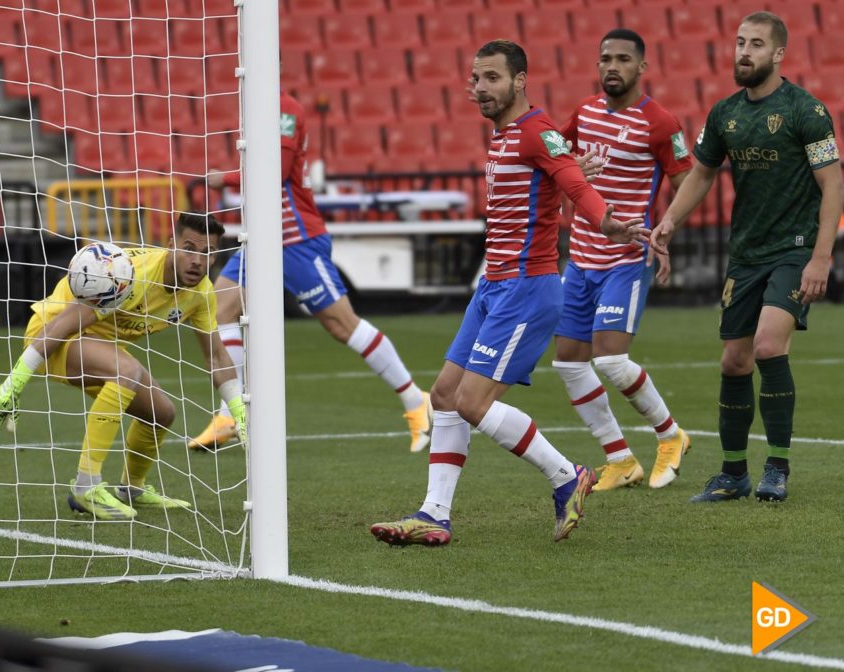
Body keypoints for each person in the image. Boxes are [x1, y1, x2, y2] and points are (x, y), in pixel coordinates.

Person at [370, 40, 648, 546]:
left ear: (520, 80)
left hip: (526, 288)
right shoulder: (504, 136)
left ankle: (567, 476)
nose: (481, 88)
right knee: (444, 396)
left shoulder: (535, 132)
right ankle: (435, 513)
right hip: (493, 287)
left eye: (493, 78)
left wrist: (608, 223)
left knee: (472, 402)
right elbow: (558, 180)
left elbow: (570, 180)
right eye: (476, 78)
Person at [650, 12, 843, 503]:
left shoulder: (807, 110)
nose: (744, 52)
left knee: (767, 347)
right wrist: (670, 220)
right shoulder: (724, 114)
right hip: (746, 255)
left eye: (755, 44)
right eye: (740, 42)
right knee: (734, 361)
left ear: (778, 54)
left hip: (793, 253)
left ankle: (776, 467)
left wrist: (822, 257)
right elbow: (701, 173)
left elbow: (833, 182)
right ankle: (733, 473)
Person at [190, 89, 432, 454]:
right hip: (260, 236)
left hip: (295, 239)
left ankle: (417, 402)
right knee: (220, 308)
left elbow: (277, 172)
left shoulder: (284, 109)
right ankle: (229, 414)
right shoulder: (256, 108)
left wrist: (223, 179)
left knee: (341, 324)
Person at [0, 213, 246, 520]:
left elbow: (216, 356)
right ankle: (84, 487)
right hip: (51, 337)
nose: (197, 260)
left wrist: (239, 412)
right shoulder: (127, 274)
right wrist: (13, 385)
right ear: (171, 245)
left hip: (99, 348)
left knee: (161, 413)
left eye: (207, 252)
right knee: (126, 372)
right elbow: (62, 325)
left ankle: (132, 489)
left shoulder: (201, 293)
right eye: (189, 248)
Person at [552, 29, 693, 492]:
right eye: (605, 59)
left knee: (612, 360)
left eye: (622, 59)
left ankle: (670, 436)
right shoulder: (584, 112)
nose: (612, 66)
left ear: (642, 67)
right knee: (569, 364)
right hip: (581, 260)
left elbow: (688, 180)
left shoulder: (660, 123)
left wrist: (665, 230)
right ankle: (619, 458)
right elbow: (557, 159)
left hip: (626, 258)